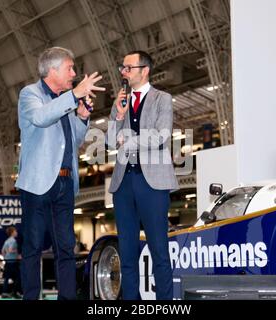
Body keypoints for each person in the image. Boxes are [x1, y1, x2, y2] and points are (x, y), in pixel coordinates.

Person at [15, 46, 105, 300]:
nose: (74, 74)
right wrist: (74, 96)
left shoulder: (65, 100)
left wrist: (82, 117)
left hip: (65, 182)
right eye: (69, 68)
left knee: (66, 248)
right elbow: (42, 118)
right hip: (37, 185)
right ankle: (31, 297)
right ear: (52, 70)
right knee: (32, 247)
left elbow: (73, 141)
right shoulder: (29, 94)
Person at [106, 50, 179, 300]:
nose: (123, 72)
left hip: (153, 183)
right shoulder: (122, 100)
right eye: (122, 68)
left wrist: (128, 138)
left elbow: (161, 136)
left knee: (159, 249)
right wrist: (117, 115)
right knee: (126, 252)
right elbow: (107, 141)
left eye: (128, 67)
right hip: (123, 182)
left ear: (144, 69)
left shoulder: (162, 99)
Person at [1, 226, 22, 299]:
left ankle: (4, 293)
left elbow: (3, 251)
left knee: (7, 278)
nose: (17, 232)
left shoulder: (6, 241)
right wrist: (17, 254)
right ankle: (15, 292)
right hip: (13, 262)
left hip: (7, 261)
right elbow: (10, 250)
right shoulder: (13, 241)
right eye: (15, 231)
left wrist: (6, 257)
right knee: (19, 277)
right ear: (12, 233)